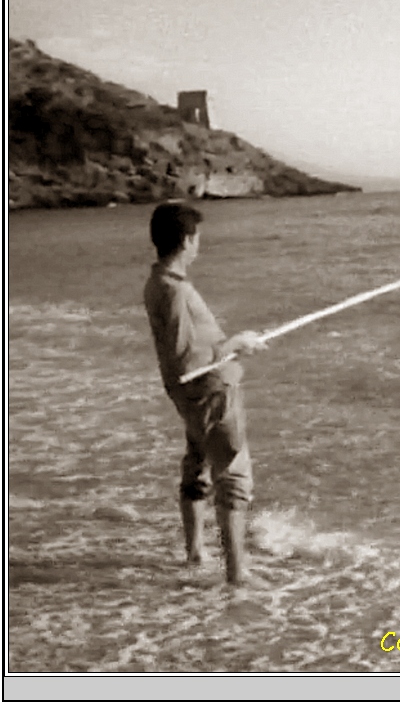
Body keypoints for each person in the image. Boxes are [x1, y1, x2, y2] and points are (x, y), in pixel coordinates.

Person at [143, 202, 267, 585]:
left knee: (197, 464)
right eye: (197, 238)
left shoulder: (159, 282)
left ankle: (196, 552)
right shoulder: (175, 291)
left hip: (193, 398)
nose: (199, 245)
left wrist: (228, 347)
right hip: (210, 393)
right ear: (186, 240)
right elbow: (186, 361)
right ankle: (237, 574)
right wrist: (234, 345)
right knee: (232, 476)